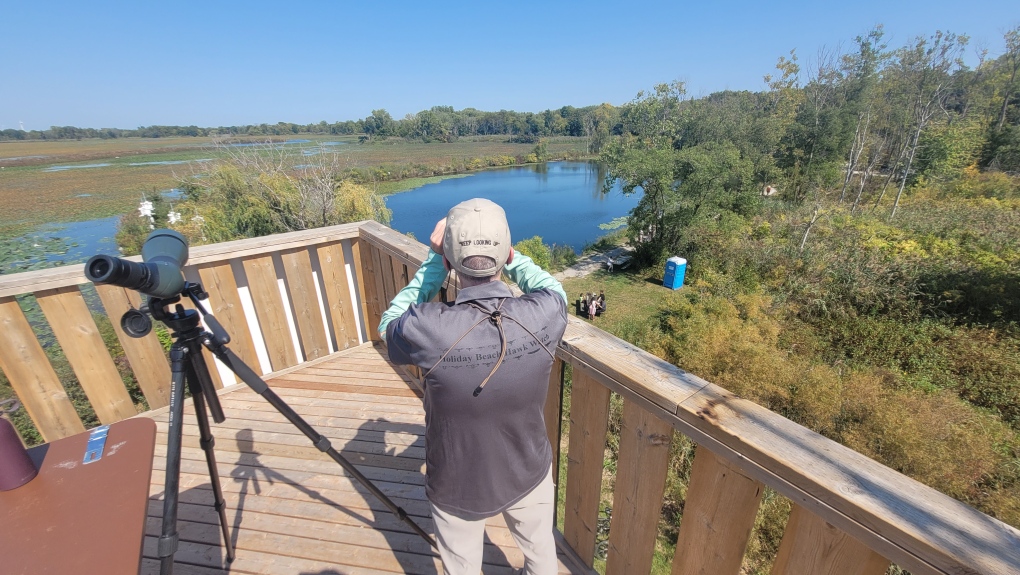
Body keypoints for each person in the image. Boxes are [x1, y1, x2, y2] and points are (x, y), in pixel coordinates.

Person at [379, 198, 568, 575]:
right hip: (528, 470)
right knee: (542, 554)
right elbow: (554, 290)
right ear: (507, 253)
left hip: (457, 482)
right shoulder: (545, 313)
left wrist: (434, 263)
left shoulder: (426, 327)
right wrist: (513, 257)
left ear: (449, 260)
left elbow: (389, 325)